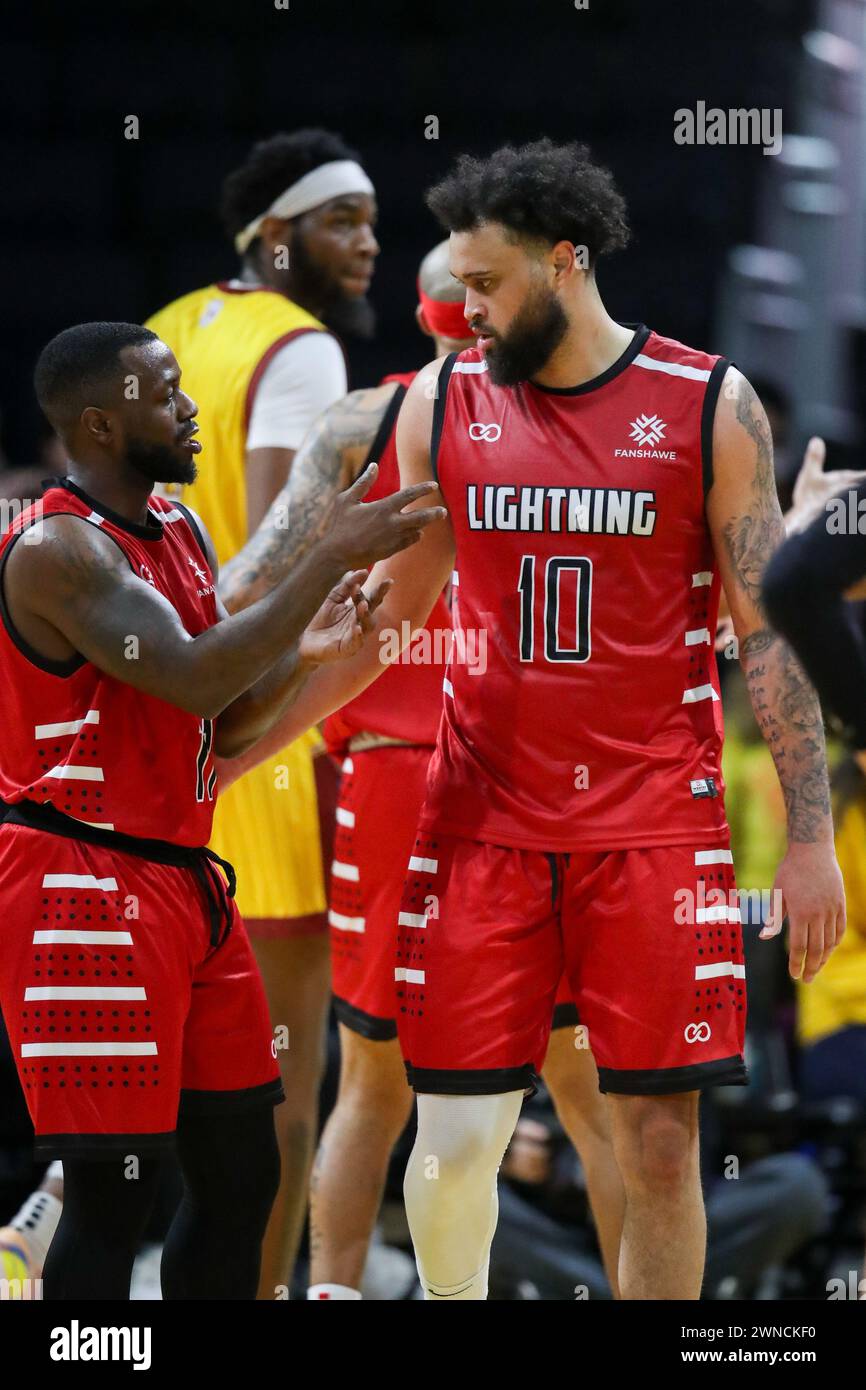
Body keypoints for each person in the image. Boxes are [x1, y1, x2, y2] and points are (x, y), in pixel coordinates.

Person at [230, 138, 846, 1301]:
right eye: (457, 286)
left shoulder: (710, 406)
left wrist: (807, 842)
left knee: (656, 1144)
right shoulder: (441, 405)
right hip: (481, 824)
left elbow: (767, 634)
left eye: (485, 284)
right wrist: (233, 755)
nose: (463, 310)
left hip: (652, 830)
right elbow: (382, 631)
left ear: (565, 264)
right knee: (454, 1142)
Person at [0, 320, 442, 1299]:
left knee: (247, 1171)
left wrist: (308, 655)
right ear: (103, 424)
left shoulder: (187, 534)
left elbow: (229, 719)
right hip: (82, 881)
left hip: (184, 880)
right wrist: (322, 558)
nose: (191, 406)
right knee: (116, 1192)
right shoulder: (57, 550)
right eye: (166, 393)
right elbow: (196, 677)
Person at [221, 240, 624, 1298]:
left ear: (425, 311)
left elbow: (243, 591)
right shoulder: (600, 411)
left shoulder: (363, 420)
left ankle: (337, 1291)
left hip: (397, 772)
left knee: (372, 1083)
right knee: (589, 1090)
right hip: (554, 778)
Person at [145, 128, 380, 1292]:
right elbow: (288, 545)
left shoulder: (169, 325)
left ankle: (48, 1220)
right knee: (285, 1098)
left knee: (179, 1080)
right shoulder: (302, 352)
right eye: (346, 221)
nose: (369, 245)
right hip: (256, 729)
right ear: (278, 233)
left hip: (153, 717)